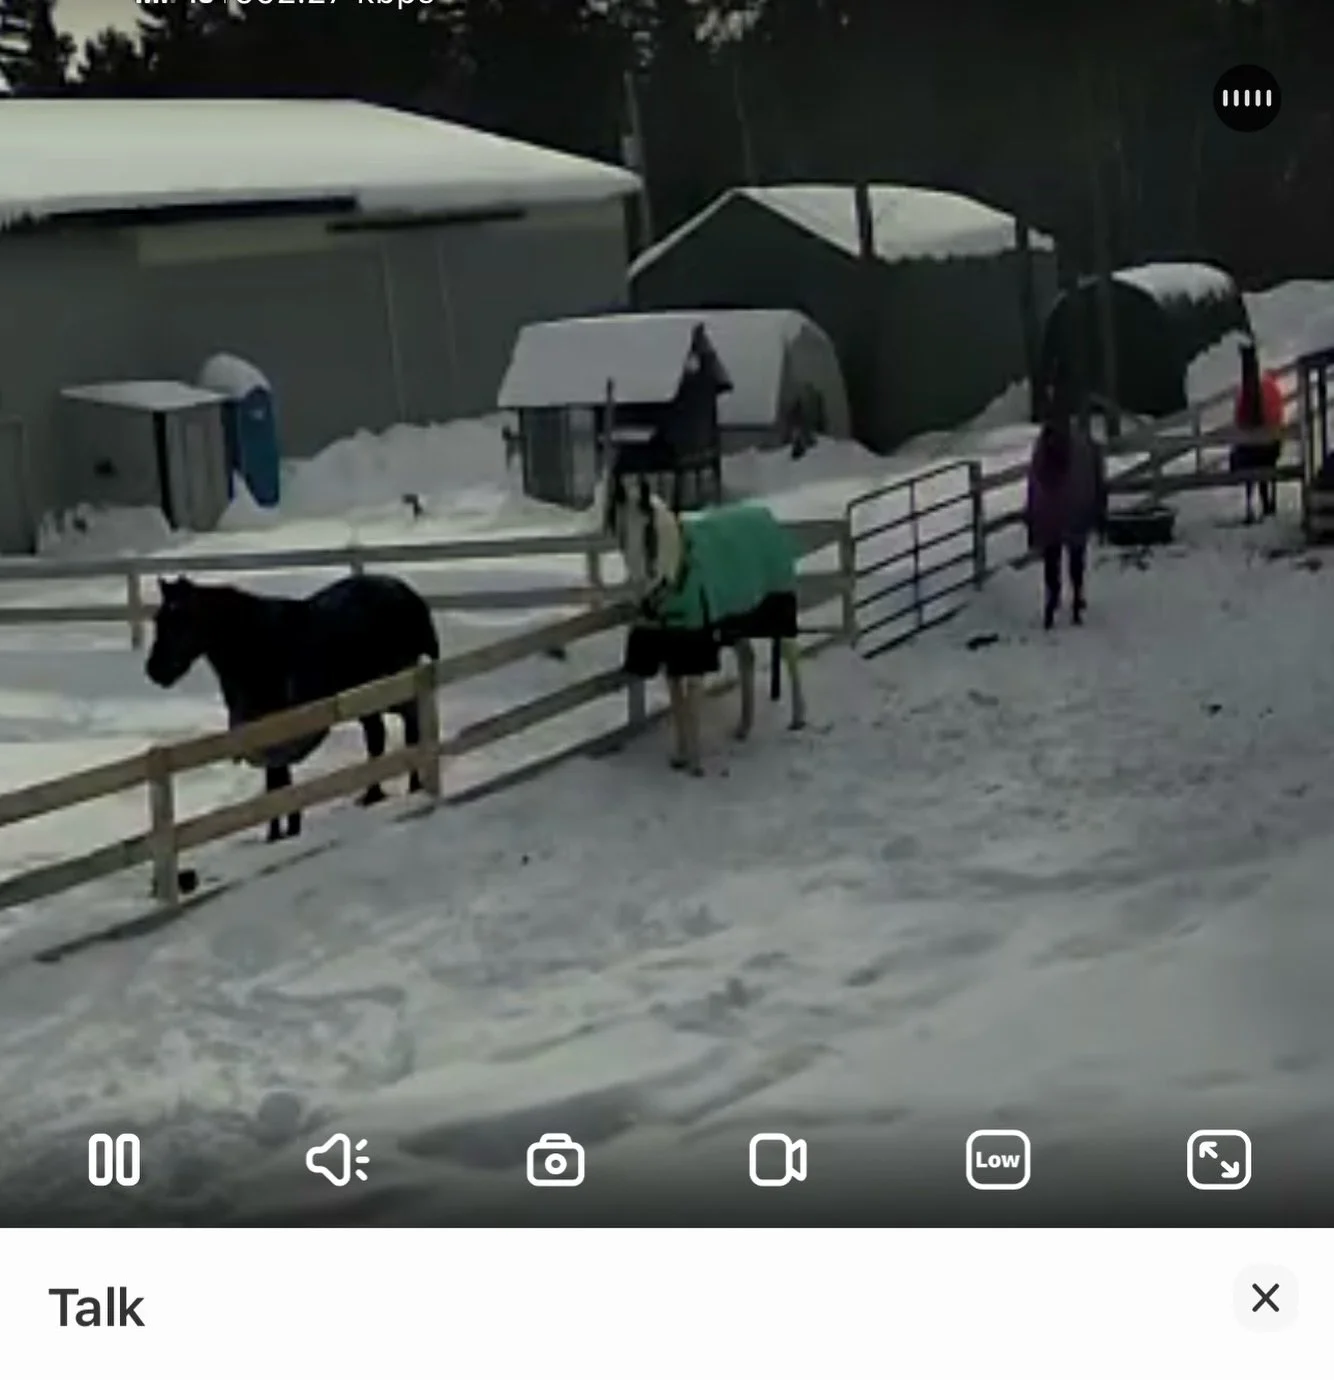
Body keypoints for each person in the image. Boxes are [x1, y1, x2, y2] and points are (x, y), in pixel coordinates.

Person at [1024, 397, 1107, 629]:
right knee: (1075, 554)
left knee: (1052, 556)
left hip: (1049, 511)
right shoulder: (1082, 445)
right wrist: (1098, 507)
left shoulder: (1041, 448)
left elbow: (1033, 484)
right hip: (1076, 508)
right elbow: (1094, 476)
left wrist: (1032, 516)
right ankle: (1077, 596)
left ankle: (1053, 599)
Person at [1228, 339, 1284, 522]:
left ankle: (1260, 503)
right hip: (1265, 440)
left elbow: (1241, 419)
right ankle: (1264, 503)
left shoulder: (1264, 389)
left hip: (1263, 439)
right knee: (1261, 463)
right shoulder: (1263, 389)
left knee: (1256, 462)